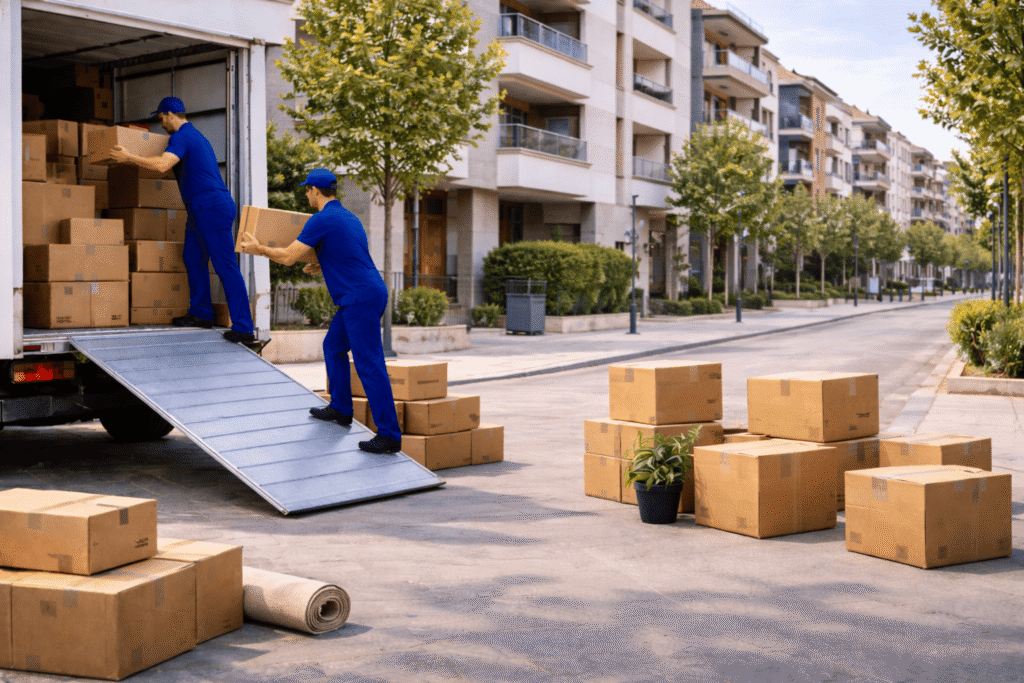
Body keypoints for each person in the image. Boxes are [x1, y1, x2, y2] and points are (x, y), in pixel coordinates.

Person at [239, 169, 402, 455]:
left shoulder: (322, 219)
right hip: (365, 291)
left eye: (307, 190)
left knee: (369, 363)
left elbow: (289, 257)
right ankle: (340, 408)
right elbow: (348, 254)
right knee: (333, 346)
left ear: (315, 191)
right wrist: (320, 264)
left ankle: (389, 435)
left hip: (358, 297)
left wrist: (259, 248)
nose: (306, 195)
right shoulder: (348, 218)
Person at [109, 96, 255, 344]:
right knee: (192, 257)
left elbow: (162, 166)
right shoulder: (193, 136)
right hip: (201, 207)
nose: (161, 123)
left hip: (210, 206)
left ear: (168, 114)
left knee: (225, 266)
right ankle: (201, 313)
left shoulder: (182, 136)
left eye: (161, 118)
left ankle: (243, 327)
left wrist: (130, 157)